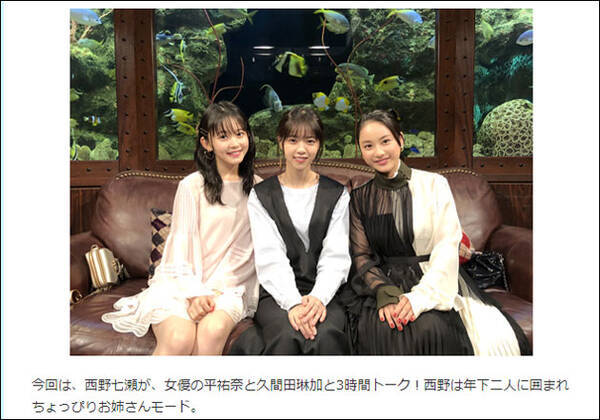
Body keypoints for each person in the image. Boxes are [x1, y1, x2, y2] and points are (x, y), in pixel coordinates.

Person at [342, 109, 532, 355]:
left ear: (401, 141)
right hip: (382, 283)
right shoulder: (359, 197)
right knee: (382, 329)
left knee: (430, 328)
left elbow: (447, 246)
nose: (378, 152)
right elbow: (361, 256)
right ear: (360, 150)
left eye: (385, 141)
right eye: (368, 146)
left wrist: (419, 298)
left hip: (433, 277)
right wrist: (385, 293)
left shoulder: (434, 185)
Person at [102, 101, 260, 355]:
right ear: (206, 143)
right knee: (178, 339)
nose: (234, 143)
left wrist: (213, 293)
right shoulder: (191, 186)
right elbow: (179, 247)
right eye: (223, 136)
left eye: (240, 134)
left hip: (229, 289)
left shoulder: (258, 190)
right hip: (181, 284)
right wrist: (195, 294)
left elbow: (247, 255)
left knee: (211, 331)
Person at [243, 107, 351, 355]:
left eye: (310, 141)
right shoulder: (261, 195)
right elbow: (270, 256)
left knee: (326, 334)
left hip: (327, 293)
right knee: (287, 334)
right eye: (293, 140)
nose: (301, 149)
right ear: (280, 142)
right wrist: (292, 302)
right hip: (276, 294)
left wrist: (318, 297)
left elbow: (336, 256)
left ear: (319, 144)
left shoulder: (336, 194)